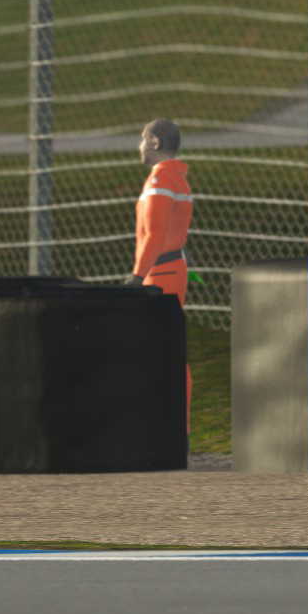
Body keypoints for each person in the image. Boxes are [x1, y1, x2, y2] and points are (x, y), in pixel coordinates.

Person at [128, 117, 194, 417]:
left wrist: (137, 277)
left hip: (160, 273)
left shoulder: (161, 180)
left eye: (144, 139)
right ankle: (176, 422)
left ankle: (172, 422)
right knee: (166, 349)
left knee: (161, 349)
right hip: (168, 270)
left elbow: (155, 234)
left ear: (155, 142)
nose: (140, 145)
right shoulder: (175, 178)